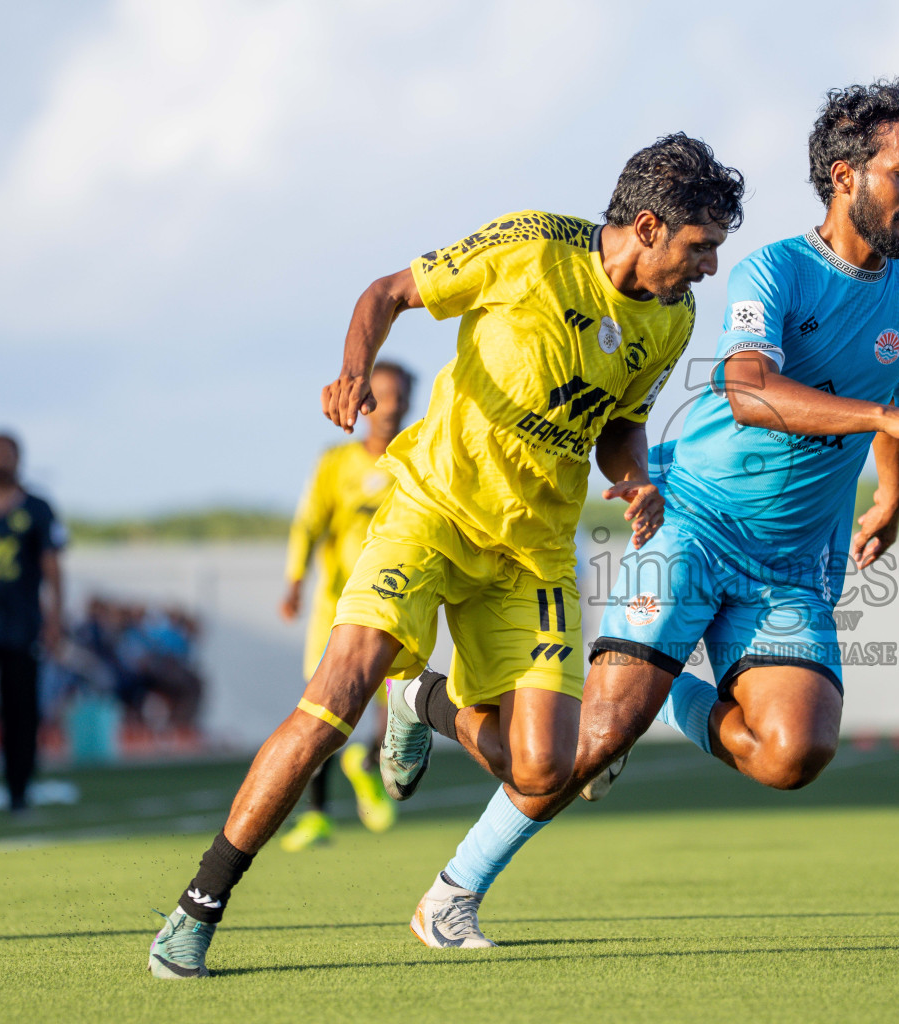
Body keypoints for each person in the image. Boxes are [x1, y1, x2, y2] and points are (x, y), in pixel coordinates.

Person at [382, 78, 899, 941]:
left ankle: (665, 698)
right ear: (847, 176)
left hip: (794, 560)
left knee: (793, 753)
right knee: (589, 743)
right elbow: (746, 389)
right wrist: (889, 421)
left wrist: (890, 490)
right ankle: (450, 890)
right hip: (697, 520)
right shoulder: (773, 270)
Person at [147, 133, 745, 978]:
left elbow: (620, 421)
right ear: (647, 226)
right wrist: (353, 370)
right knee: (333, 697)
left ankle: (424, 699)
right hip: (431, 513)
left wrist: (638, 479)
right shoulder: (533, 247)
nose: (709, 268)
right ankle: (198, 907)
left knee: (545, 771)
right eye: (700, 247)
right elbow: (387, 292)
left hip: (533, 553)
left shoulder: (672, 318)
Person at [275, 360, 414, 850]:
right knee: (323, 703)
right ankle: (316, 815)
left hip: (398, 599)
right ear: (365, 402)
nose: (392, 406)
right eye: (383, 395)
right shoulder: (335, 463)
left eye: (400, 395)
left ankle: (369, 759)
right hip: (338, 605)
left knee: (396, 698)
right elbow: (308, 523)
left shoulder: (417, 459)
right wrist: (294, 582)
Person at [0, 432, 66, 813]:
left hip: (20, 625)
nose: (1, 461)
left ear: (18, 459)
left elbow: (52, 568)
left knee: (20, 711)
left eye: (7, 454)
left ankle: (19, 793)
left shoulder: (38, 508)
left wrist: (55, 619)